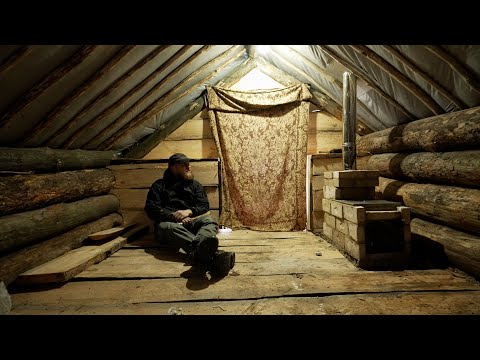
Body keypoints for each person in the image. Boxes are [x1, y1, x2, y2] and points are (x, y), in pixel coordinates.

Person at [144, 153, 235, 276]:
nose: (189, 167)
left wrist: (189, 212)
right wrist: (173, 216)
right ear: (174, 167)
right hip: (172, 226)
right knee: (164, 227)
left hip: (191, 223)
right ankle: (215, 254)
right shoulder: (159, 186)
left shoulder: (195, 185)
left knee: (210, 219)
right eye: (184, 165)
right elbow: (151, 208)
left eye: (189, 164)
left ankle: (199, 252)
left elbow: (204, 205)